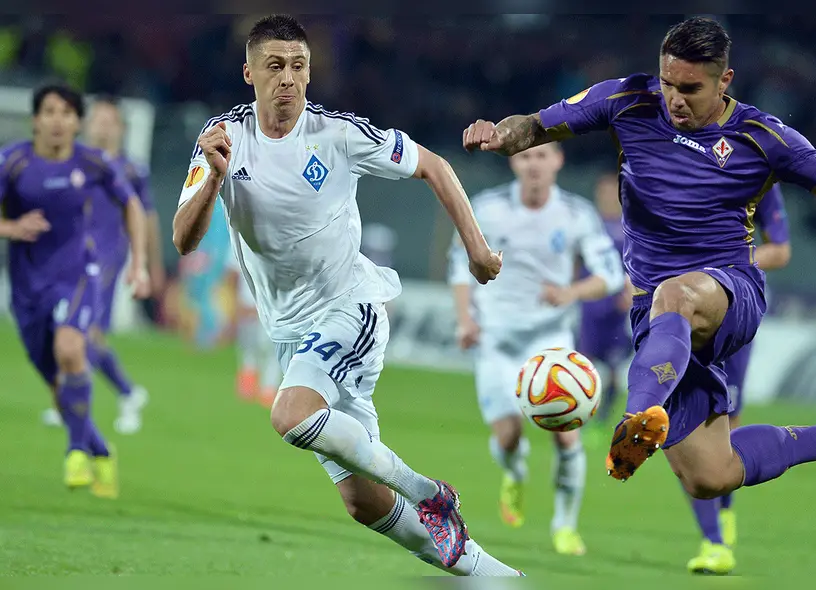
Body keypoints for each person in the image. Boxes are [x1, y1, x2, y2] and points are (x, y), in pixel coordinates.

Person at [463, 16, 816, 509]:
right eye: (668, 83)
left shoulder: (762, 137)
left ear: (724, 80)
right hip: (657, 320)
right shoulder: (627, 100)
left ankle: (636, 418)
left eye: (690, 89)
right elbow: (534, 127)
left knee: (677, 294)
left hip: (730, 291)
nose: (675, 99)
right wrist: (498, 134)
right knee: (710, 476)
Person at [171, 15, 520, 576]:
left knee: (290, 414)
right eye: (275, 66)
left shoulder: (337, 134)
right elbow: (184, 241)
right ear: (249, 73)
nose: (288, 78)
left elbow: (434, 165)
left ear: (310, 73)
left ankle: (429, 493)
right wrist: (213, 177)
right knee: (364, 503)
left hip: (348, 307)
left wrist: (477, 250)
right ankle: (498, 579)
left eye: (299, 66)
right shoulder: (223, 137)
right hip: (289, 332)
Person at [449, 143, 624, 556]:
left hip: (551, 344)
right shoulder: (487, 208)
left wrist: (571, 292)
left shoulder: (576, 214)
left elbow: (611, 274)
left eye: (542, 156)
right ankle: (514, 472)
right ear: (514, 161)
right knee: (508, 437)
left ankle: (565, 526)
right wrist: (465, 319)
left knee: (566, 436)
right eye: (526, 157)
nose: (534, 164)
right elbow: (459, 265)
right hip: (496, 340)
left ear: (558, 160)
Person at [0, 83, 150, 497]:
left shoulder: (93, 162)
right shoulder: (13, 163)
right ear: (36, 119)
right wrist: (12, 227)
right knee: (57, 387)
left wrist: (139, 264)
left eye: (66, 113)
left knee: (71, 348)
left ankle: (76, 452)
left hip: (78, 273)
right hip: (27, 287)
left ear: (76, 123)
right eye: (49, 111)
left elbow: (132, 205)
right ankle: (100, 451)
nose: (57, 121)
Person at [682, 184, 791, 574]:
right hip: (681, 309)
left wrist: (724, 261)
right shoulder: (674, 166)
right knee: (681, 421)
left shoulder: (758, 174)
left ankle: (724, 507)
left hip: (734, 311)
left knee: (726, 423)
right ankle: (713, 541)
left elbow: (780, 250)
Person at [38, 96, 161, 434]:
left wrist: (148, 262)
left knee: (84, 330)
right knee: (73, 330)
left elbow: (147, 216)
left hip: (106, 259)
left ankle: (74, 402)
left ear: (120, 128)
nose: (102, 128)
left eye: (109, 122)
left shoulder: (131, 170)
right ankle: (128, 393)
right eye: (98, 121)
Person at [578, 173, 632, 441]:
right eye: (603, 192)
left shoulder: (629, 227)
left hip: (615, 308)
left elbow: (637, 263)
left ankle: (602, 420)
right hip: (589, 307)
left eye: (612, 192)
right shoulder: (590, 225)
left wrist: (630, 291)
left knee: (611, 370)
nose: (607, 197)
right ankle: (579, 415)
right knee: (582, 364)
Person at [226, 243, 280, 406]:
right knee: (249, 346)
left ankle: (268, 389)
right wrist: (236, 303)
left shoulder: (280, 241)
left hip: (272, 307)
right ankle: (249, 382)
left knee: (270, 348)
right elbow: (233, 274)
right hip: (247, 303)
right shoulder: (240, 239)